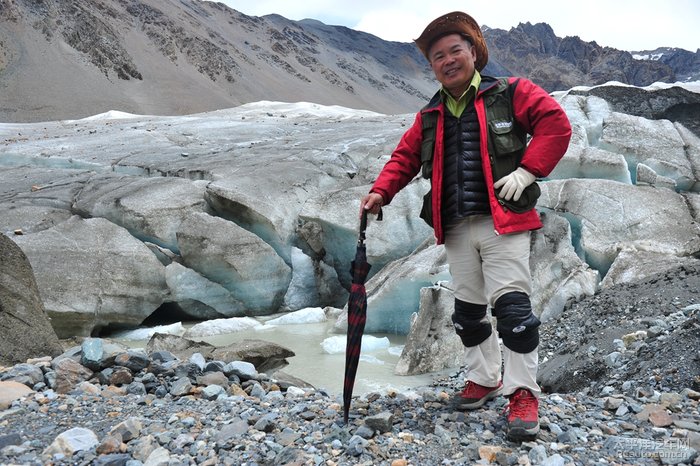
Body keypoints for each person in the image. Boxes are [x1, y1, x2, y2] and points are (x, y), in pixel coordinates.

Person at [360, 11, 571, 441]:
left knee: (513, 312)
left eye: (456, 50)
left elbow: (556, 124)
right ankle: (486, 378)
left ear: (473, 52)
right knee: (469, 314)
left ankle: (522, 393)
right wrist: (381, 192)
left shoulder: (510, 93)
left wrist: (529, 171)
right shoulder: (430, 116)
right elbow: (403, 159)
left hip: (503, 223)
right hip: (455, 227)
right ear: (433, 65)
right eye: (438, 55)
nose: (448, 60)